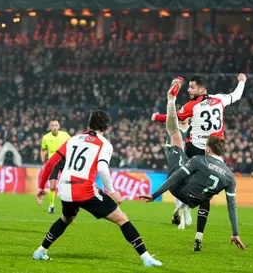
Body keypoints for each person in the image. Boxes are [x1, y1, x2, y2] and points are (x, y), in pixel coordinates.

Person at [33, 110, 162, 267]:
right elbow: (102, 168)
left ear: (89, 122)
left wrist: (41, 186)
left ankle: (40, 251)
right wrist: (112, 191)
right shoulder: (104, 144)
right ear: (106, 125)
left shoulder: (73, 139)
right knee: (122, 218)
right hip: (84, 189)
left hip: (65, 189)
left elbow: (50, 163)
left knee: (66, 219)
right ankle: (146, 258)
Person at [140, 82, 246, 252]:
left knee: (175, 136)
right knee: (207, 196)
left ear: (208, 149)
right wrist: (235, 232)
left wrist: (154, 195)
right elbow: (231, 206)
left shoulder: (198, 159)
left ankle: (170, 99)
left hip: (180, 190)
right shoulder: (229, 176)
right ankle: (198, 235)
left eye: (192, 87)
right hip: (198, 199)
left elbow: (176, 177)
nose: (189, 90)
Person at [151, 74, 246, 158]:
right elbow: (236, 95)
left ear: (201, 89)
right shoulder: (220, 98)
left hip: (195, 149)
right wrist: (242, 81)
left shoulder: (191, 105)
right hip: (215, 149)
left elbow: (174, 118)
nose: (188, 90)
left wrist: (157, 117)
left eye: (192, 87)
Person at [164, 114, 192, 228]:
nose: (184, 118)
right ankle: (181, 219)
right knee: (178, 190)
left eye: (186, 115)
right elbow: (167, 147)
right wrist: (172, 161)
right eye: (182, 115)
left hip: (191, 163)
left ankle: (187, 210)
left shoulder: (193, 130)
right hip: (178, 164)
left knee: (190, 190)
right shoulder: (174, 131)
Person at [39, 120, 70, 214]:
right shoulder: (46, 137)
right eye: (52, 125)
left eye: (56, 125)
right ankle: (52, 205)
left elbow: (72, 146)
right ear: (50, 127)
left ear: (59, 126)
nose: (54, 127)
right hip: (53, 163)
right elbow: (43, 150)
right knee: (52, 186)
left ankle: (67, 204)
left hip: (65, 162)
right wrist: (43, 163)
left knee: (68, 184)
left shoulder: (66, 135)